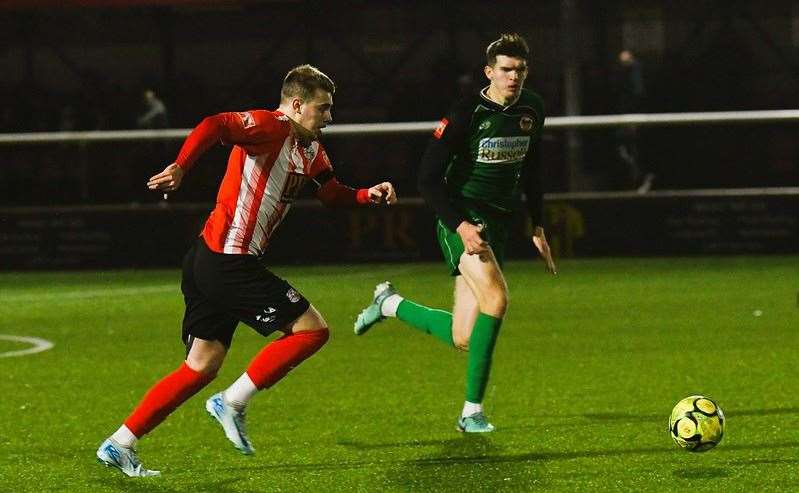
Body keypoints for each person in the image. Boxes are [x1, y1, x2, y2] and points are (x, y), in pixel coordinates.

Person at [96, 64, 397, 477]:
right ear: (296, 105)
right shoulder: (272, 127)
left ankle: (120, 442)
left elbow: (330, 193)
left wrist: (366, 195)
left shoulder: (310, 149)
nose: (329, 117)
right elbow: (215, 123)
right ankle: (232, 401)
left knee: (201, 366)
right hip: (227, 260)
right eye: (322, 109)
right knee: (313, 330)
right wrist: (182, 166)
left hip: (209, 258)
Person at [354, 34, 556, 433]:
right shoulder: (466, 112)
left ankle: (389, 304)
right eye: (505, 69)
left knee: (464, 336)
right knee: (497, 299)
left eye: (520, 69)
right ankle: (471, 412)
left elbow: (532, 167)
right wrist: (460, 226)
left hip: (497, 221)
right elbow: (427, 179)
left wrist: (537, 223)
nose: (513, 76)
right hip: (461, 219)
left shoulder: (533, 108)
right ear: (489, 72)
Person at [612, 49, 654, 192]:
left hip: (635, 117)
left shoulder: (636, 75)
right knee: (625, 150)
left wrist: (635, 120)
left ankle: (644, 179)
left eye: (627, 62)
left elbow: (639, 94)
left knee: (638, 149)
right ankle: (636, 180)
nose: (624, 65)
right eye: (622, 63)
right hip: (626, 116)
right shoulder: (622, 79)